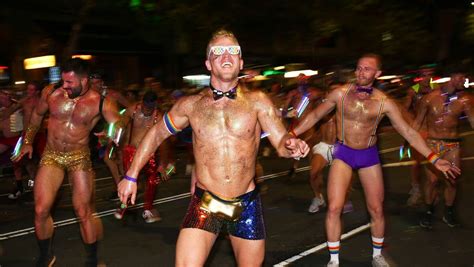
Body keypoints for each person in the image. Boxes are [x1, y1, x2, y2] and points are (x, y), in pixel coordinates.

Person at [118, 29, 309, 266]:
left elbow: (281, 142)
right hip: (206, 203)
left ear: (241, 61)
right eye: (218, 52)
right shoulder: (190, 105)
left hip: (245, 204)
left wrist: (291, 145)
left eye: (232, 51)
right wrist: (131, 175)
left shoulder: (258, 101)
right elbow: (156, 133)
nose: (226, 56)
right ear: (208, 63)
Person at [294, 54, 460, 267]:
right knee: (334, 208)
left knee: (376, 209)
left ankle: (377, 255)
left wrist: (434, 158)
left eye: (367, 69)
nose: (361, 72)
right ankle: (333, 260)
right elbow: (315, 115)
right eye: (358, 68)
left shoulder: (383, 102)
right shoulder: (340, 94)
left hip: (368, 156)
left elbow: (408, 132)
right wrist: (290, 135)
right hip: (343, 152)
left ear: (377, 74)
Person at [13, 58, 121, 267]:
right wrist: (27, 142)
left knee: (83, 211)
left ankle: (92, 260)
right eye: (63, 81)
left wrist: (109, 136)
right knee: (40, 210)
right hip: (51, 155)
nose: (64, 86)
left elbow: (118, 125)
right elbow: (36, 115)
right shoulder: (51, 93)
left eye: (70, 82)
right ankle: (46, 256)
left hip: (79, 157)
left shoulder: (101, 102)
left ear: (84, 80)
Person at [414, 67, 474, 229]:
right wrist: (409, 141)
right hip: (433, 144)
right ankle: (428, 211)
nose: (464, 81)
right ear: (452, 76)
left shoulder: (465, 100)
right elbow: (418, 122)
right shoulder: (428, 98)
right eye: (462, 76)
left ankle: (448, 212)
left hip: (453, 145)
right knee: (432, 181)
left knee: (452, 181)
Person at [114, 90, 164, 223]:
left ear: (154, 105)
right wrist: (115, 137)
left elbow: (162, 139)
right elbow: (121, 123)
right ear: (142, 103)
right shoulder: (133, 110)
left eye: (150, 108)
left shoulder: (158, 116)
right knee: (129, 180)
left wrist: (163, 162)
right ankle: (123, 207)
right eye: (145, 107)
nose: (147, 110)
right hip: (131, 152)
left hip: (149, 153)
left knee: (152, 181)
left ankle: (147, 209)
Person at [402, 68, 436, 206]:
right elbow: (404, 109)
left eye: (430, 75)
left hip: (433, 130)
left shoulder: (436, 88)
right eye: (424, 76)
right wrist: (410, 122)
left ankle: (433, 189)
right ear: (419, 78)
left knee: (432, 160)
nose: (427, 78)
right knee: (416, 163)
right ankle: (416, 189)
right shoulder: (413, 91)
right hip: (419, 129)